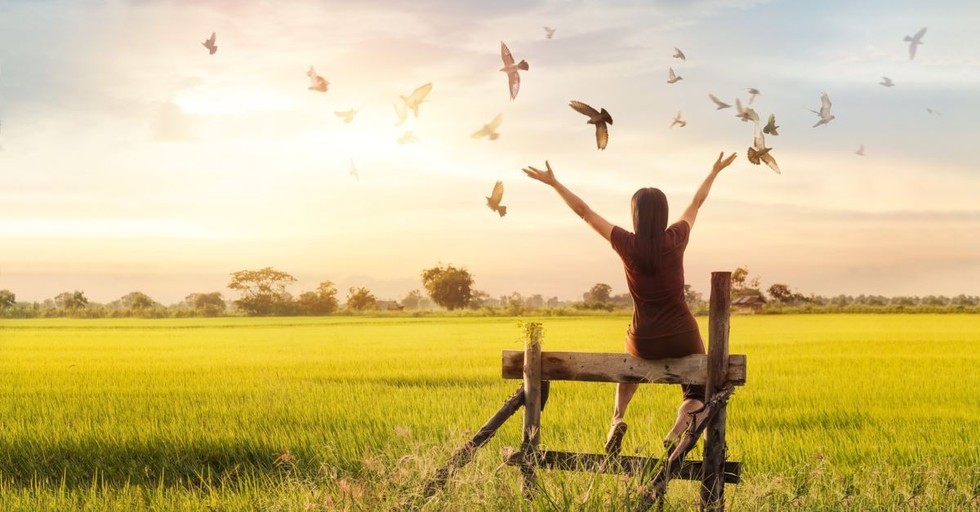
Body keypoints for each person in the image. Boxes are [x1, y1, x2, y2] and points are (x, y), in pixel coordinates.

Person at [522, 151, 737, 455]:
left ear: (635, 214)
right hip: (682, 335)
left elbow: (584, 211)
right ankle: (679, 425)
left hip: (643, 339)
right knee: (696, 390)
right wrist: (715, 171)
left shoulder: (625, 242)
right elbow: (696, 202)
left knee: (629, 367)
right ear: (663, 214)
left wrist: (554, 183)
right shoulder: (676, 236)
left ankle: (618, 418)